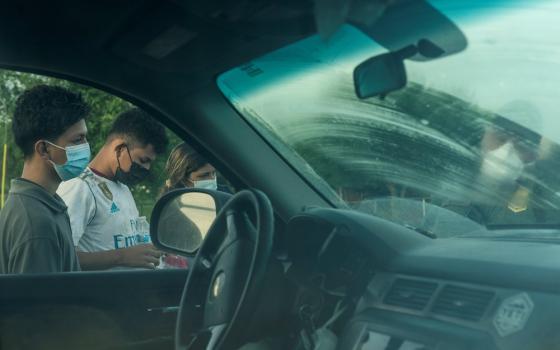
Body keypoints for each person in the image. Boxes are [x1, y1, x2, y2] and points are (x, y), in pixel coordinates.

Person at [57, 108, 168, 270]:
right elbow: (60, 257)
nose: (146, 168)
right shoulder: (79, 187)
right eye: (143, 160)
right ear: (120, 148)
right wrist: (121, 257)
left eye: (149, 163)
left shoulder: (122, 187)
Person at [0, 85, 89, 273]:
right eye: (77, 140)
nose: (86, 147)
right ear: (43, 149)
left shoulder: (46, 204)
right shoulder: (37, 225)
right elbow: (42, 302)